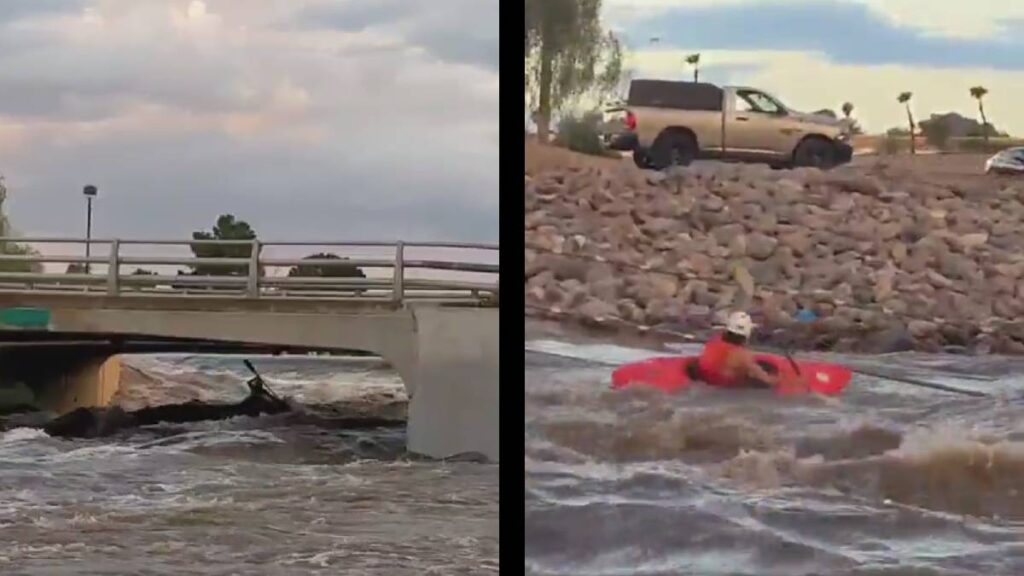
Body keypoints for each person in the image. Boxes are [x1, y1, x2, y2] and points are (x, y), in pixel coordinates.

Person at [690, 311, 789, 390]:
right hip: (727, 389)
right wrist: (782, 379)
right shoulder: (742, 355)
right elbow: (768, 380)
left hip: (707, 382)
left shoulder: (714, 340)